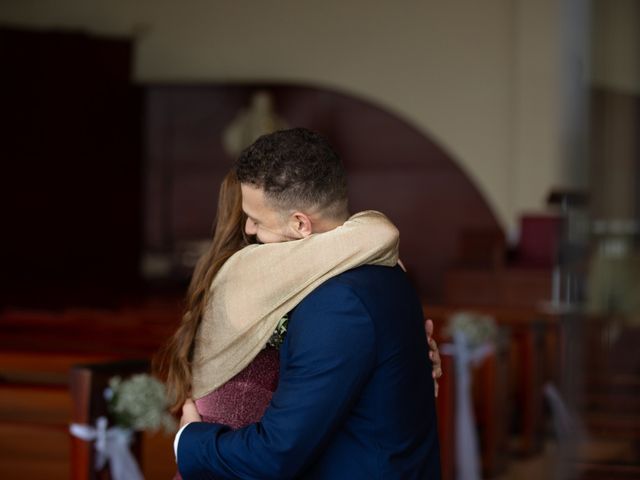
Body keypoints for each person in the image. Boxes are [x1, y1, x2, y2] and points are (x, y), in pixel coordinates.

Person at [176, 128, 441, 479]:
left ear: (300, 224)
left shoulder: (335, 303)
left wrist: (189, 441)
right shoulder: (388, 269)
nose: (251, 231)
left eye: (256, 219)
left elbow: (276, 455)